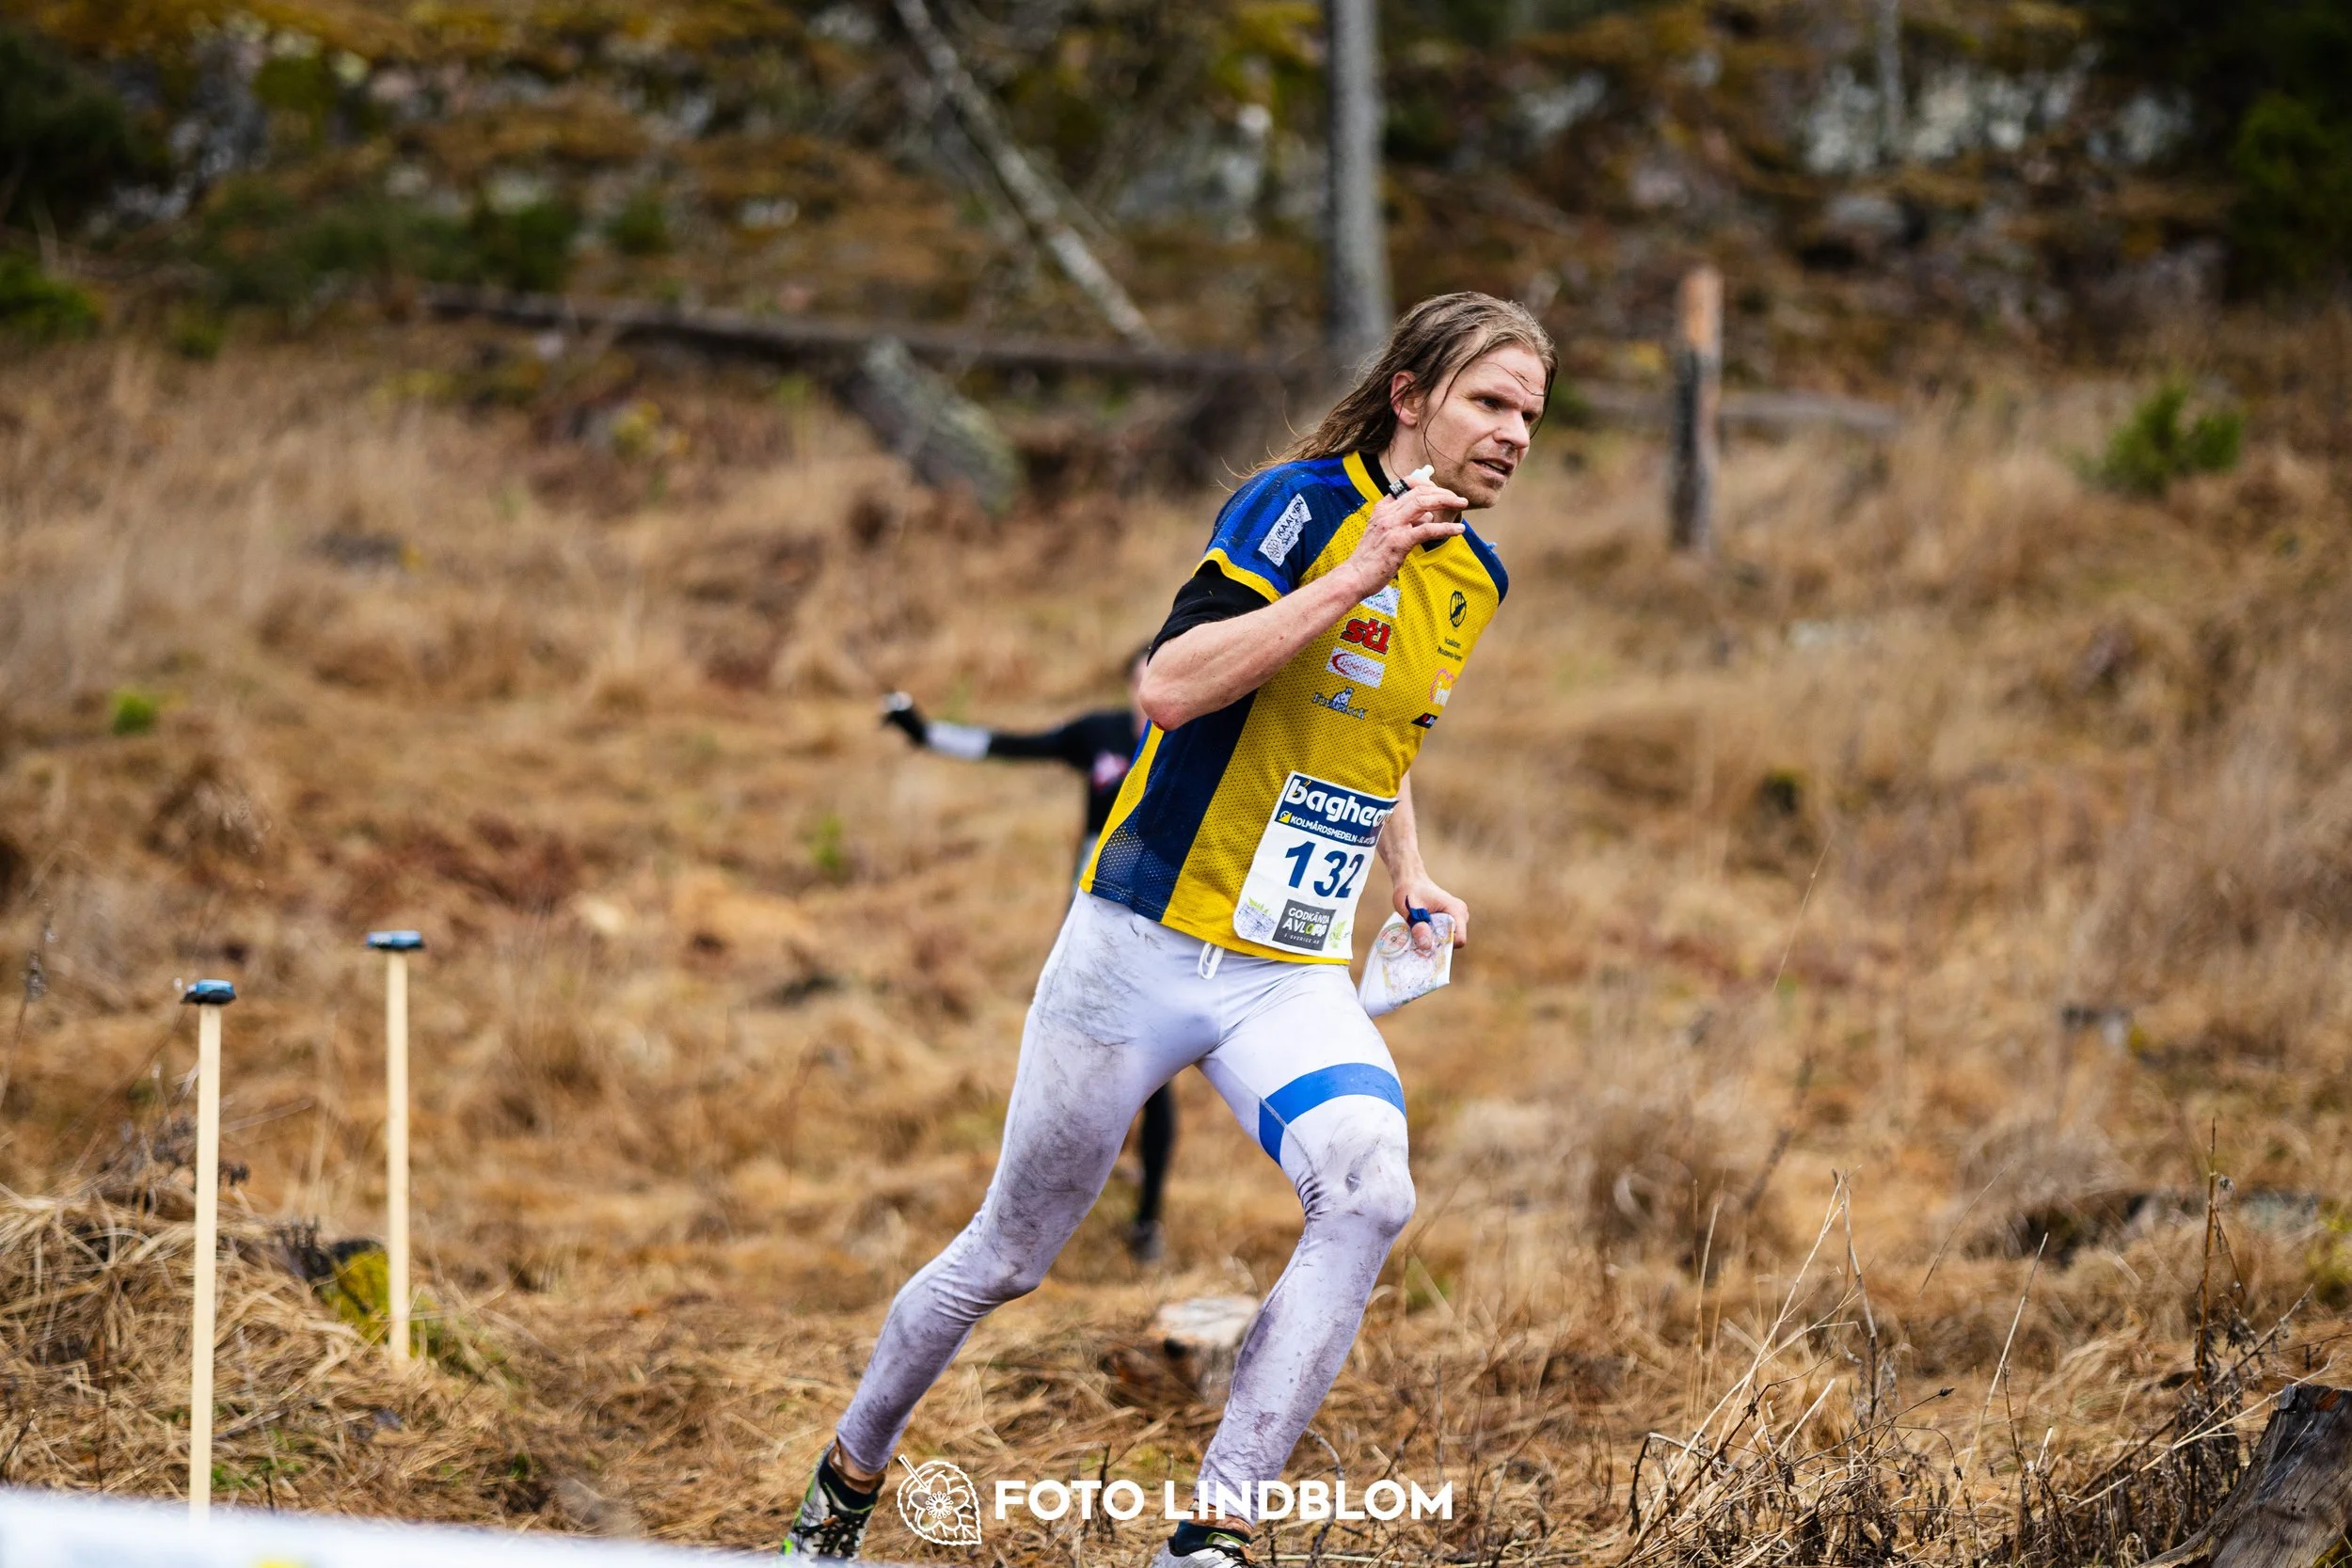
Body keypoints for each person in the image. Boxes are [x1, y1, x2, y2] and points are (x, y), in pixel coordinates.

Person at [781, 293, 1553, 1567]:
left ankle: (1215, 1528)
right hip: (1137, 942)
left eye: (1531, 411)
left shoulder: (1476, 574)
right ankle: (848, 1475)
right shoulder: (1299, 506)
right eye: (1490, 400)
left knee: (1370, 1188)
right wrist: (1356, 574)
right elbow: (1169, 684)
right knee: (1008, 1256)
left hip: (1286, 967)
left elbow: (1382, 729)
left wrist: (1411, 872)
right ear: (1411, 396)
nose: (1515, 432)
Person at [877, 654, 1176, 1263]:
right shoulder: (1098, 733)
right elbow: (1010, 745)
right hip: (1089, 925)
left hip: (1164, 928)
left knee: (1156, 1075)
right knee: (1071, 1061)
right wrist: (926, 733)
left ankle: (1147, 1220)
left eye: (1161, 671)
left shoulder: (1200, 738)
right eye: (1141, 675)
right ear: (1129, 682)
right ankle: (1036, 1209)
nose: (1149, 687)